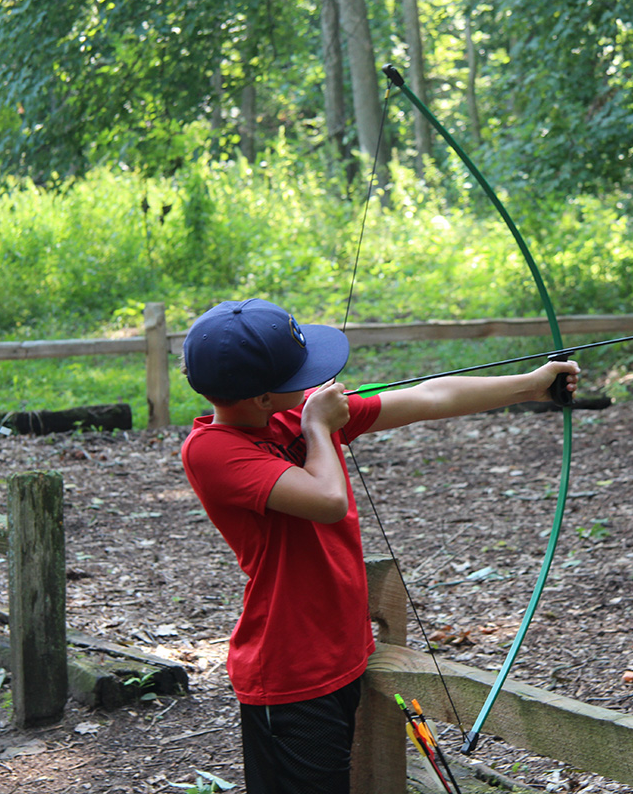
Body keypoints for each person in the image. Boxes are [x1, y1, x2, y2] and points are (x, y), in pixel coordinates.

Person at [179, 298, 579, 794]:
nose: (311, 382)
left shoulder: (288, 419)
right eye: (298, 375)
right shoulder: (213, 451)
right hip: (289, 676)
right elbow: (326, 499)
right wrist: (320, 427)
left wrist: (533, 385)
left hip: (339, 653)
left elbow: (429, 397)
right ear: (262, 398)